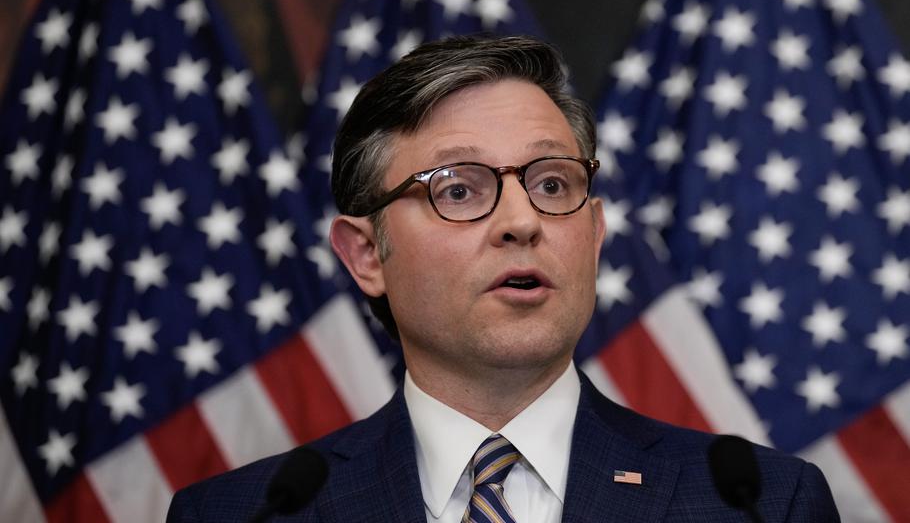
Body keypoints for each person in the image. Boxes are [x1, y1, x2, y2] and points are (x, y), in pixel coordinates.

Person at [167, 35, 839, 522]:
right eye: (458, 190)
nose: (522, 221)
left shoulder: (757, 505)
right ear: (366, 253)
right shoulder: (241, 514)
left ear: (595, 233)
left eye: (552, 183)